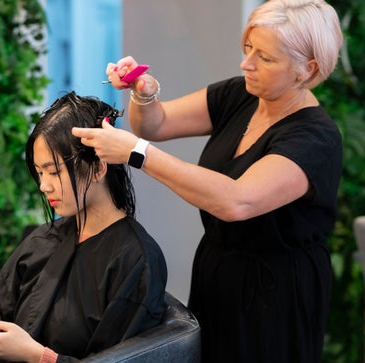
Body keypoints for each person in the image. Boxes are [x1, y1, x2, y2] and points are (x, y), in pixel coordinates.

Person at [71, 0, 343, 362]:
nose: (246, 63)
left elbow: (237, 202)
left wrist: (137, 153)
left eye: (265, 57)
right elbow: (156, 124)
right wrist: (143, 91)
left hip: (276, 292)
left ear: (306, 69)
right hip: (218, 270)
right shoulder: (241, 94)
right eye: (248, 48)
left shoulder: (315, 139)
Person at [0, 92, 168, 363]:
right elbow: (6, 323)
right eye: (40, 173)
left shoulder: (136, 260)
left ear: (99, 168)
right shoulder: (43, 239)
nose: (44, 186)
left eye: (54, 172)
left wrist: (39, 357)